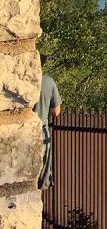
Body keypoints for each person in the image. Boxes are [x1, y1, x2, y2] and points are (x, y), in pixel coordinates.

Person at [35, 61, 62, 190]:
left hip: (21, 131)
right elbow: (56, 111)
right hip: (42, 132)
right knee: (42, 175)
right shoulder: (48, 81)